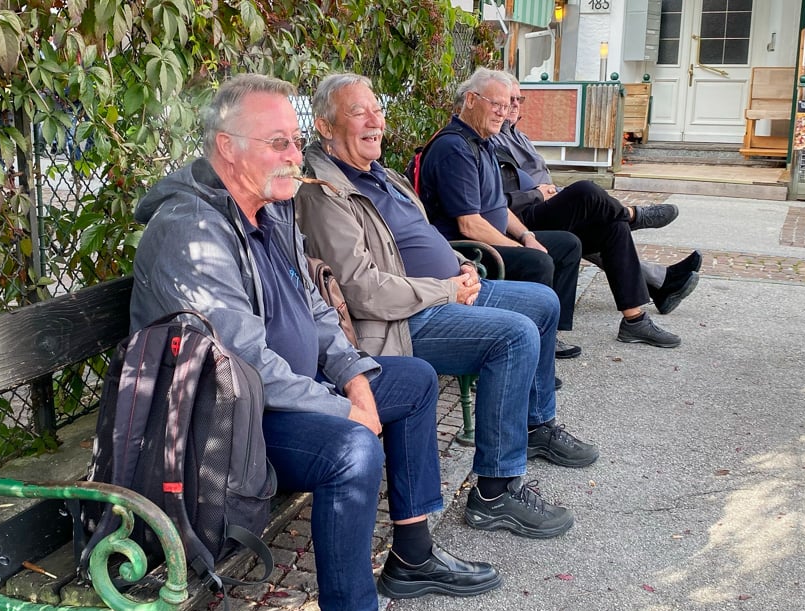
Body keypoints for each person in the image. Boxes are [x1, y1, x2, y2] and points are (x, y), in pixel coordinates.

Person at [131, 74, 503, 611]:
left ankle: (413, 555)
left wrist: (356, 380)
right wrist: (345, 410)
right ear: (227, 146)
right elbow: (245, 362)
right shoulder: (189, 232)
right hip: (220, 423)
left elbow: (318, 314)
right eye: (277, 142)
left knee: (411, 382)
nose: (293, 156)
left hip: (280, 400)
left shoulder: (270, 211)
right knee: (350, 450)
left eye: (295, 140)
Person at [297, 72, 598, 540]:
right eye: (359, 112)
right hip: (400, 320)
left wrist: (462, 265)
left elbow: (424, 235)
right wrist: (445, 290)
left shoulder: (381, 175)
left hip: (445, 289)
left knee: (542, 302)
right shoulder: (323, 193)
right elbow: (362, 291)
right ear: (324, 126)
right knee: (514, 336)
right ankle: (494, 492)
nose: (375, 120)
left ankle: (535, 426)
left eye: (377, 109)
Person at [494, 75, 702, 319]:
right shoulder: (491, 141)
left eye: (519, 99)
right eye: (508, 100)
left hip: (547, 206)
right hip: (523, 218)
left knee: (612, 227)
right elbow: (496, 201)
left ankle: (637, 316)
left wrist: (552, 192)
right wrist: (537, 194)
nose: (514, 105)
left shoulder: (518, 136)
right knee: (587, 192)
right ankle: (633, 217)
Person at [415, 69, 585, 360]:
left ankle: (549, 334)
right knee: (537, 262)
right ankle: (525, 351)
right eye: (495, 104)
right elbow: (469, 225)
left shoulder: (484, 143)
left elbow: (498, 207)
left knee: (568, 245)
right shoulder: (454, 148)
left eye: (506, 107)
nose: (502, 113)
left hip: (489, 239)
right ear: (471, 100)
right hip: (467, 251)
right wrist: (519, 248)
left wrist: (526, 236)